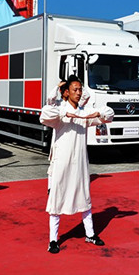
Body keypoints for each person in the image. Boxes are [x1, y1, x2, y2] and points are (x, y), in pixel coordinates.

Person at [40, 75, 114, 254]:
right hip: (62, 163)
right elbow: (44, 114)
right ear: (66, 92)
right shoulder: (60, 111)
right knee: (56, 200)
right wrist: (65, 113)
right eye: (75, 89)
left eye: (80, 89)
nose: (79, 92)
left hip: (80, 164)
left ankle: (90, 233)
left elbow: (109, 115)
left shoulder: (84, 112)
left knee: (85, 198)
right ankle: (53, 240)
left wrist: (99, 114)